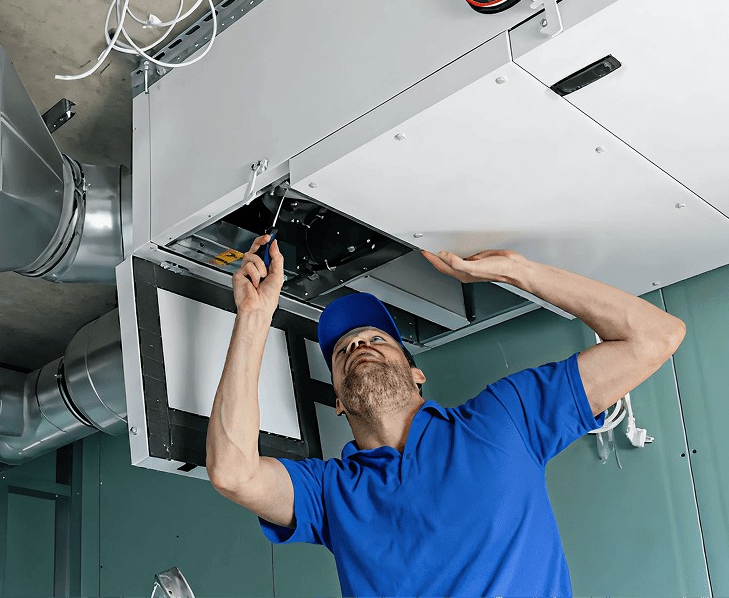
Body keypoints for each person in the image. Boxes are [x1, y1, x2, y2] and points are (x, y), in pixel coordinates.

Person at [206, 234, 685, 597]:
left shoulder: (504, 417)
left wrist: (518, 272)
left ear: (416, 374)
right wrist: (254, 315)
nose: (358, 345)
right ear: (338, 401)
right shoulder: (329, 494)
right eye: (344, 351)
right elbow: (233, 472)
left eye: (376, 339)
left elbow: (656, 336)